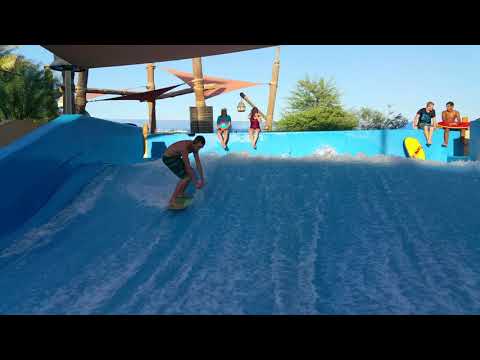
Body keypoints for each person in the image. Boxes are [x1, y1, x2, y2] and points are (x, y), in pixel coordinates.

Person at [162, 136, 205, 209]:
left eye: (200, 147)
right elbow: (187, 167)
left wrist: (202, 179)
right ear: (194, 143)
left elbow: (198, 163)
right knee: (185, 177)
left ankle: (180, 194)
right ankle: (172, 201)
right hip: (168, 158)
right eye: (198, 147)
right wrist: (196, 183)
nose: (198, 149)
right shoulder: (184, 148)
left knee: (190, 174)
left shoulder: (194, 147)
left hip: (176, 157)